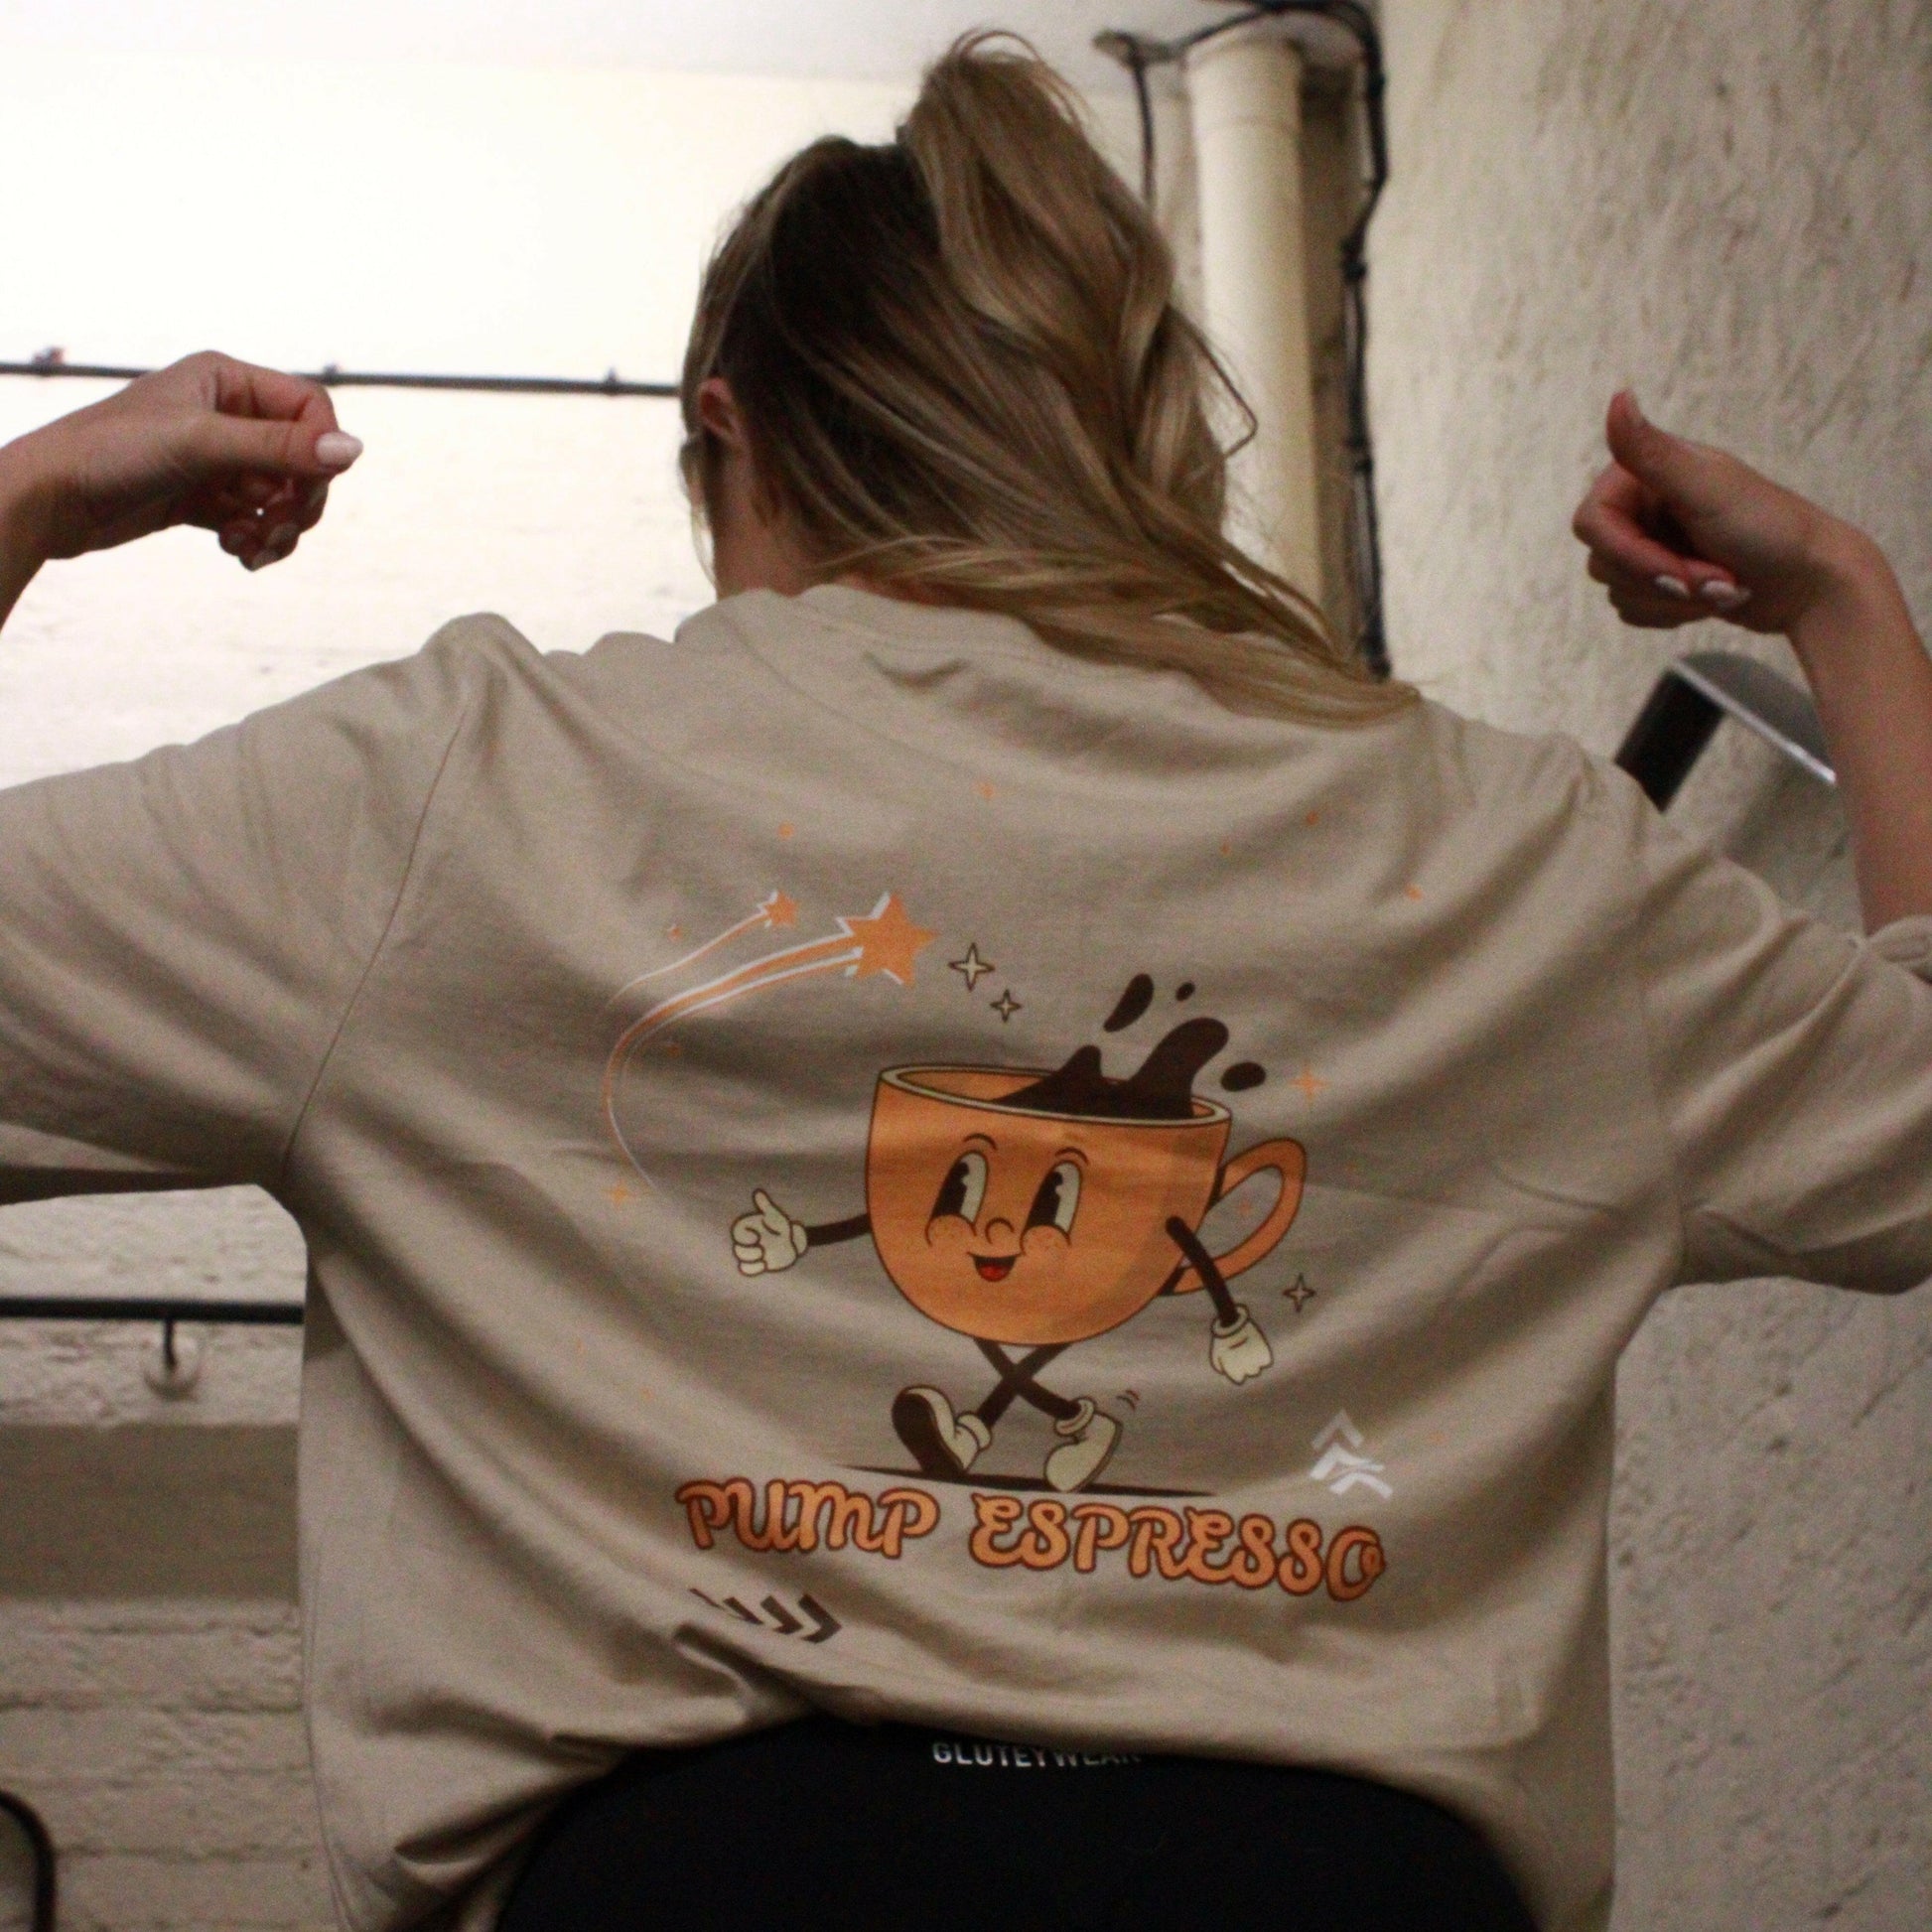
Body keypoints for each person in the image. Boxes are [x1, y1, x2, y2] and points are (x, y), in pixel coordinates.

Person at [0, 35, 1926, 1932]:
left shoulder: (463, 789)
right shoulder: (1511, 849)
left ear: (727, 418)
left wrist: (30, 499)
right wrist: (1842, 595)